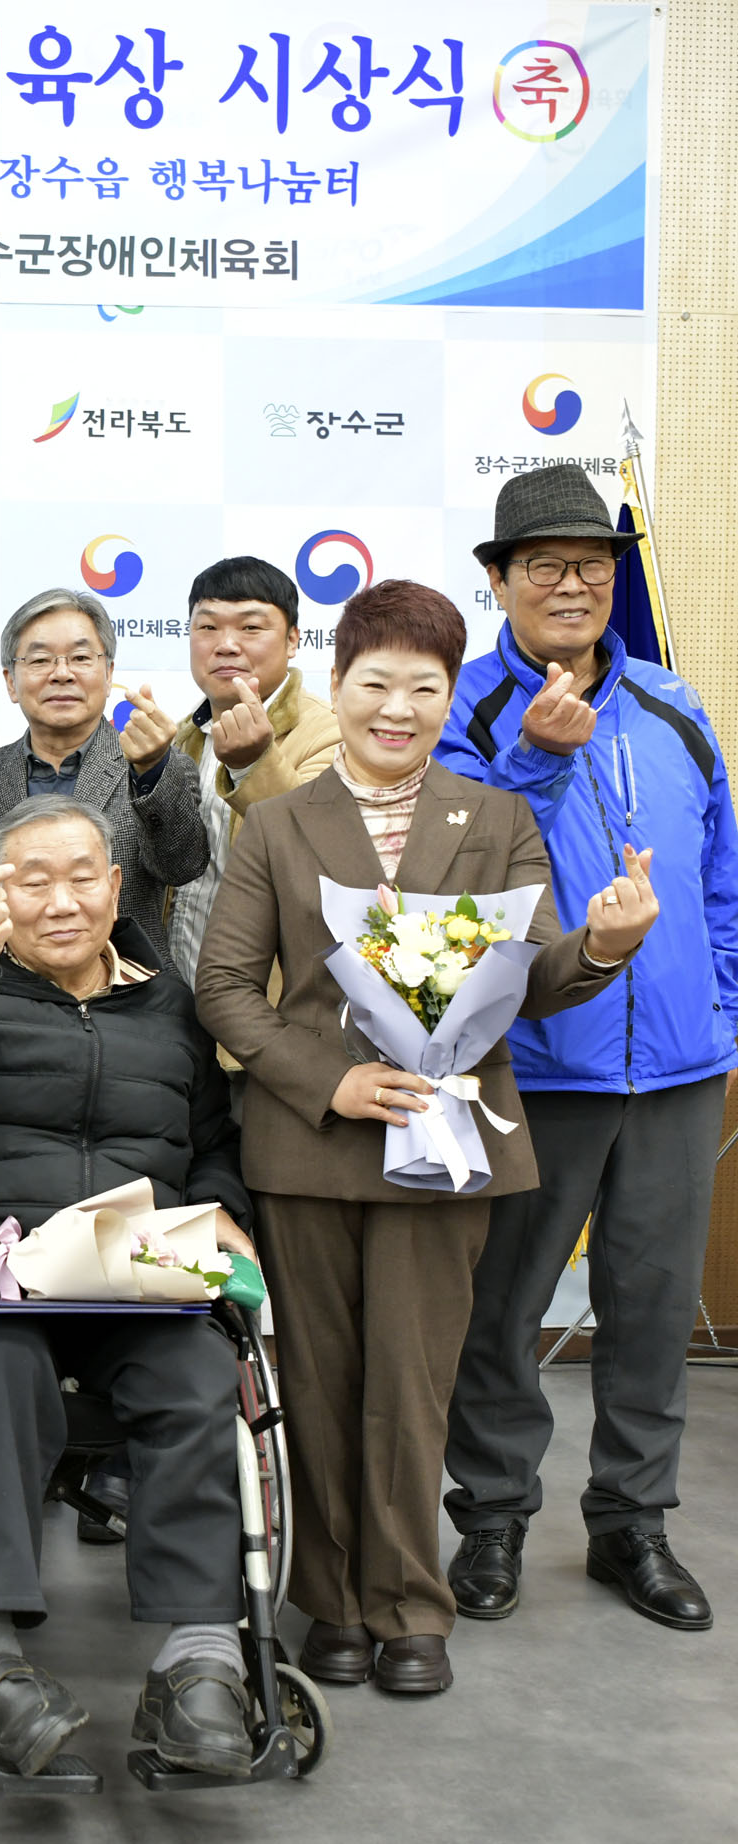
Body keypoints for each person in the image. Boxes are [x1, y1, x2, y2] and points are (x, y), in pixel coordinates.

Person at [195, 578, 658, 1696]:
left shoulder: (492, 815)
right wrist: (333, 1079)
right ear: (336, 686)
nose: (395, 706)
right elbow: (222, 986)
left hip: (446, 1146)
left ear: (449, 696)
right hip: (312, 1143)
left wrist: (600, 945)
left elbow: (530, 975)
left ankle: (409, 1602)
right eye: (373, 682)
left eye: (423, 685)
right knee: (315, 1378)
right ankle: (329, 1597)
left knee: (411, 1383)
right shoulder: (276, 820)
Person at [0, 795, 258, 1776]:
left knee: (195, 1374)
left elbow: (207, 1144)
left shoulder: (166, 1003)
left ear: (116, 886)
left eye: (82, 876)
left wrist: (218, 1210)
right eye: (30, 879)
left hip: (136, 1277)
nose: (60, 899)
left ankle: (199, 1659)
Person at [437, 464, 738, 1632]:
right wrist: (536, 756)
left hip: (673, 1069)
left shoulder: (672, 703)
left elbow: (717, 876)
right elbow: (447, 872)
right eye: (545, 565)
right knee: (500, 1307)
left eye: (593, 565)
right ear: (500, 582)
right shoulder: (465, 711)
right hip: (528, 1065)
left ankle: (632, 1524)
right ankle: (494, 1518)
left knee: (650, 1306)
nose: (573, 584)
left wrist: (715, 1006)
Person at [0, 588, 208, 969]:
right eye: (40, 659)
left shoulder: (159, 767)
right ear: (11, 682)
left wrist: (151, 770)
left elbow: (180, 868)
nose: (62, 674)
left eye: (81, 658)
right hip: (4, 1005)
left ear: (109, 673)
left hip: (130, 998)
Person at [168, 556, 340, 987]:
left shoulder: (331, 734)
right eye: (207, 627)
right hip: (174, 998)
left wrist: (253, 762)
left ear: (294, 640)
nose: (226, 644)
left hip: (267, 1004)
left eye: (250, 627)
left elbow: (315, 854)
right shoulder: (177, 736)